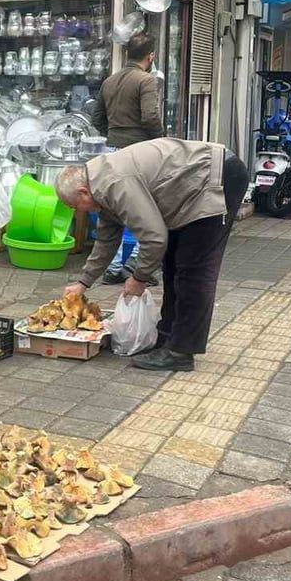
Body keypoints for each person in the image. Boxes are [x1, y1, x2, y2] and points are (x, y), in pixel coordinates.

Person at [56, 139, 247, 372]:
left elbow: (154, 238)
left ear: (83, 192)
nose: (77, 212)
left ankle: (181, 352)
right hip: (188, 192)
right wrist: (83, 283)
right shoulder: (100, 187)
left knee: (193, 272)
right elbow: (107, 240)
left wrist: (139, 277)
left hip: (215, 180)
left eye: (75, 206)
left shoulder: (114, 183)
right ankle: (167, 338)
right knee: (172, 265)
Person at [90, 33, 164, 285]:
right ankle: (135, 264)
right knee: (146, 211)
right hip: (139, 154)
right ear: (150, 56)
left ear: (127, 54)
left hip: (112, 152)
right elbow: (150, 117)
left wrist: (113, 136)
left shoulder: (109, 82)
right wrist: (160, 142)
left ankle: (111, 269)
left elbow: (96, 119)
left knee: (111, 214)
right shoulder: (147, 80)